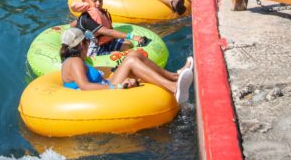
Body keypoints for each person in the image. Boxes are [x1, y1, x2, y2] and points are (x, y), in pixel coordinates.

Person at [59, 27, 194, 104]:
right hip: (96, 97)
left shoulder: (75, 61)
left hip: (105, 84)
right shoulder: (74, 61)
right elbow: (84, 86)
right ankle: (173, 88)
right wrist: (116, 86)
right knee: (131, 62)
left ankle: (175, 76)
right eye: (87, 41)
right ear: (82, 44)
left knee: (134, 55)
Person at [70, 0, 150, 52]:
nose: (98, 4)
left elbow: (73, 25)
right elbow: (108, 32)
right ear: (84, 1)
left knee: (128, 45)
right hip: (94, 48)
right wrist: (133, 37)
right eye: (94, 1)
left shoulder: (98, 12)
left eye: (100, 0)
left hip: (105, 42)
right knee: (116, 54)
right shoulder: (86, 19)